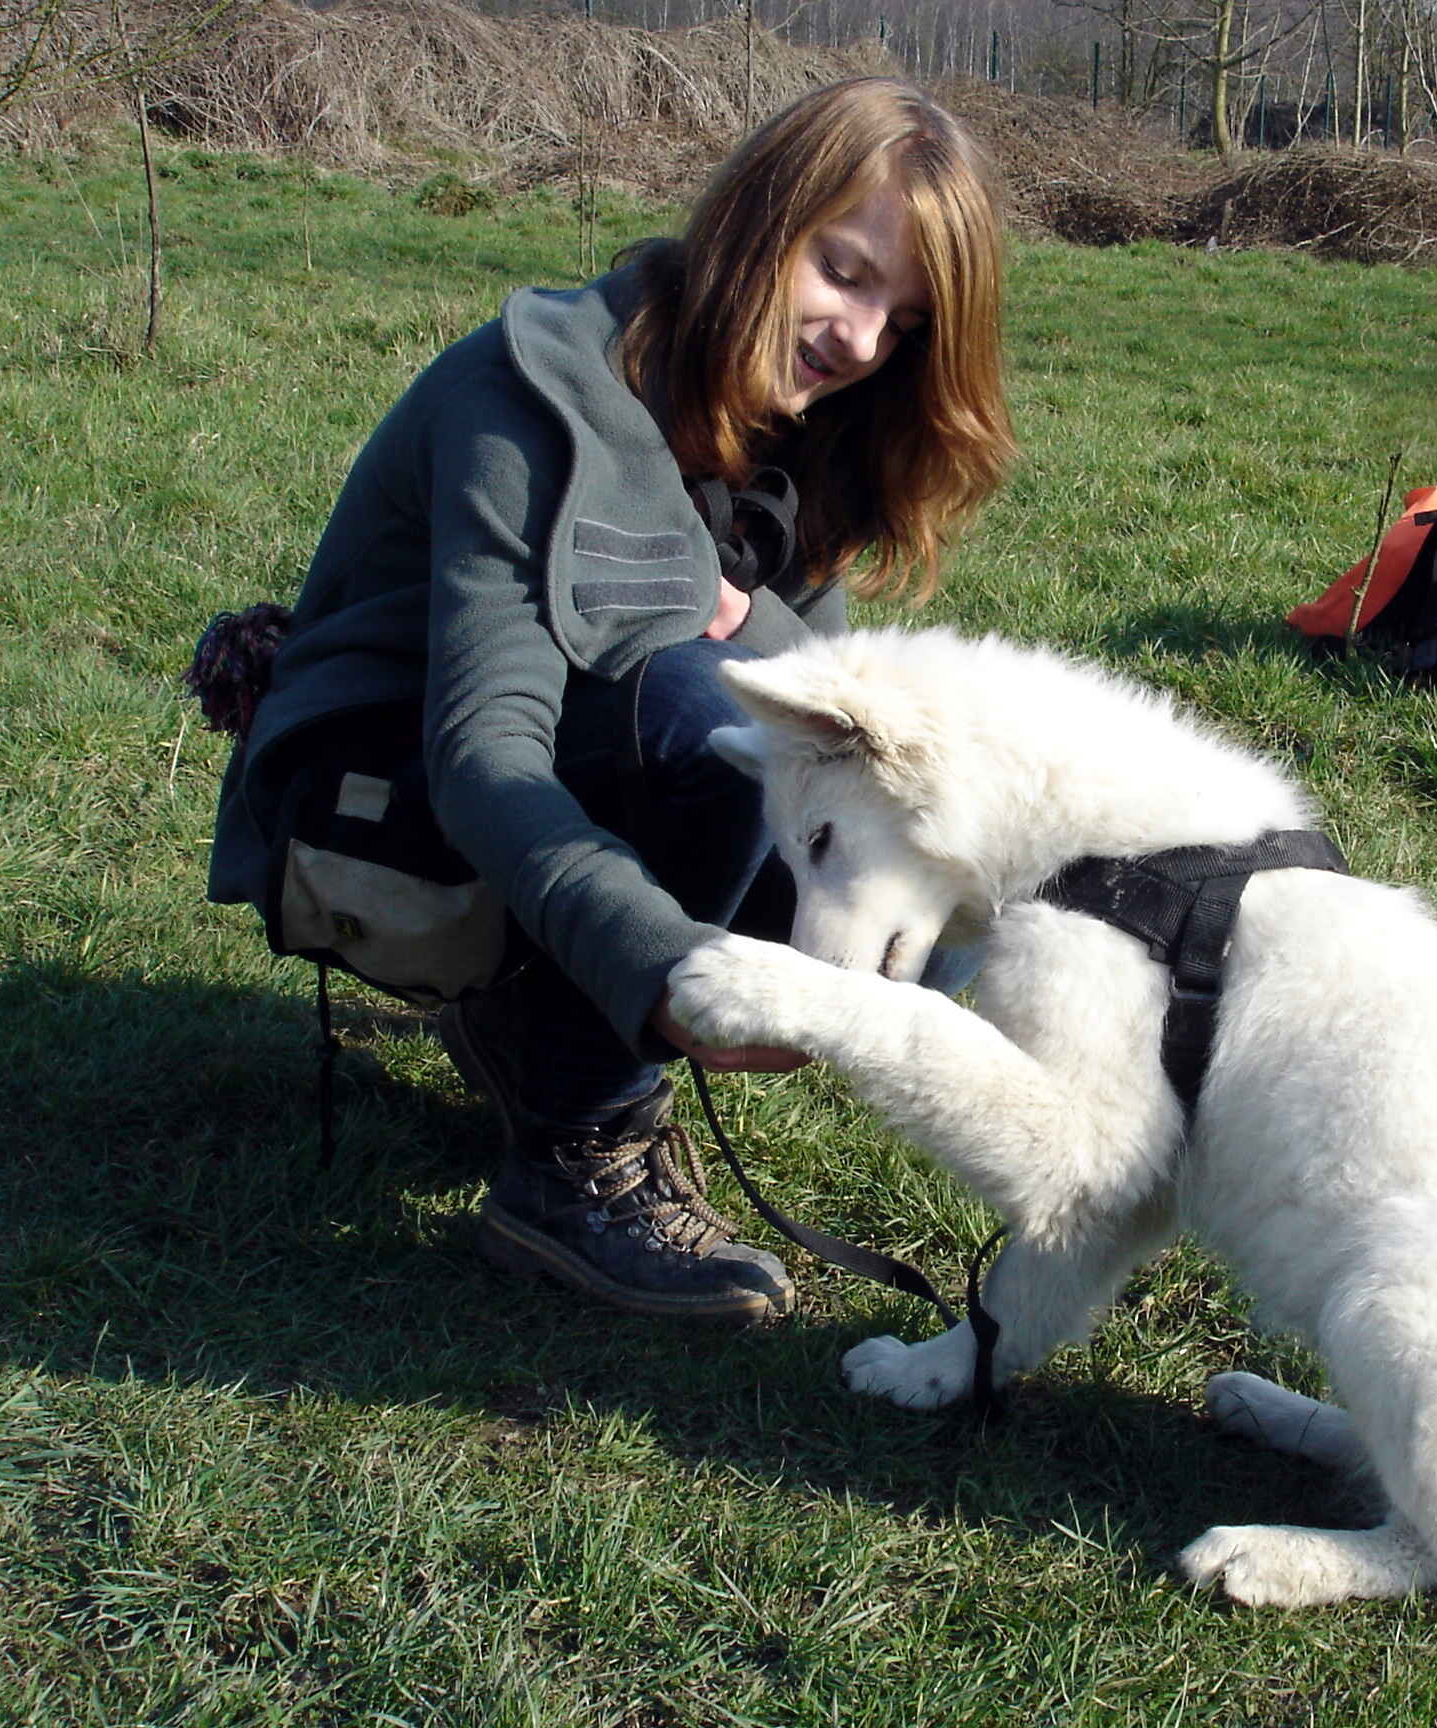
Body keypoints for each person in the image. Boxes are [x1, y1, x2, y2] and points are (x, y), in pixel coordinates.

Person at [202, 77, 1014, 1324]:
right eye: (843, 273)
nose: (861, 342)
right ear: (755, 224)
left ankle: (532, 1018)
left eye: (902, 324)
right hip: (382, 809)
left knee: (922, 900)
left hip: (565, 784)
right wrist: (668, 972)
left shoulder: (802, 426)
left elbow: (831, 724)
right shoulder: (524, 400)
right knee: (713, 715)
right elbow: (485, 754)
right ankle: (576, 1146)